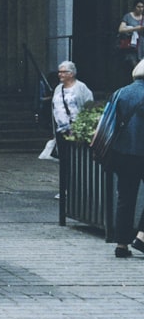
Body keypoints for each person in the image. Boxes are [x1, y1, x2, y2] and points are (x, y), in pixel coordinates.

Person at [103, 59, 144, 258]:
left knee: (125, 198)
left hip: (124, 154)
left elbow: (106, 125)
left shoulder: (120, 93)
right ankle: (142, 236)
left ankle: (121, 244)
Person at [52, 60, 93, 201]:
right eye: (59, 72)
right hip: (61, 130)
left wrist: (83, 127)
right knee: (63, 161)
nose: (60, 74)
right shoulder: (58, 89)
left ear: (71, 73)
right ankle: (64, 189)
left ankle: (78, 189)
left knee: (77, 161)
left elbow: (89, 107)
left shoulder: (81, 88)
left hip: (76, 131)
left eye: (63, 72)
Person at [118, 0, 144, 67]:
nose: (140, 9)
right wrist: (135, 29)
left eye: (142, 7)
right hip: (131, 46)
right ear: (134, 7)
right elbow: (120, 30)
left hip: (141, 45)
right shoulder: (128, 16)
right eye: (138, 7)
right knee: (133, 65)